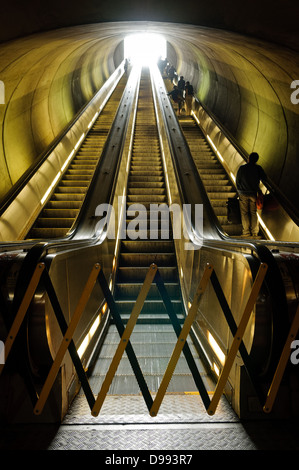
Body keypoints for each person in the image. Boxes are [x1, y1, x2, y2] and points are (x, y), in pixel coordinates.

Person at [236, 152, 267, 238]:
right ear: (256, 160)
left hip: (243, 193)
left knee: (244, 213)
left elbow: (237, 181)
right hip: (253, 193)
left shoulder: (242, 168)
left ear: (249, 158)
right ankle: (254, 232)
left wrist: (239, 190)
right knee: (253, 212)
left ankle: (246, 232)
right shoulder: (258, 168)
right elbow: (265, 178)